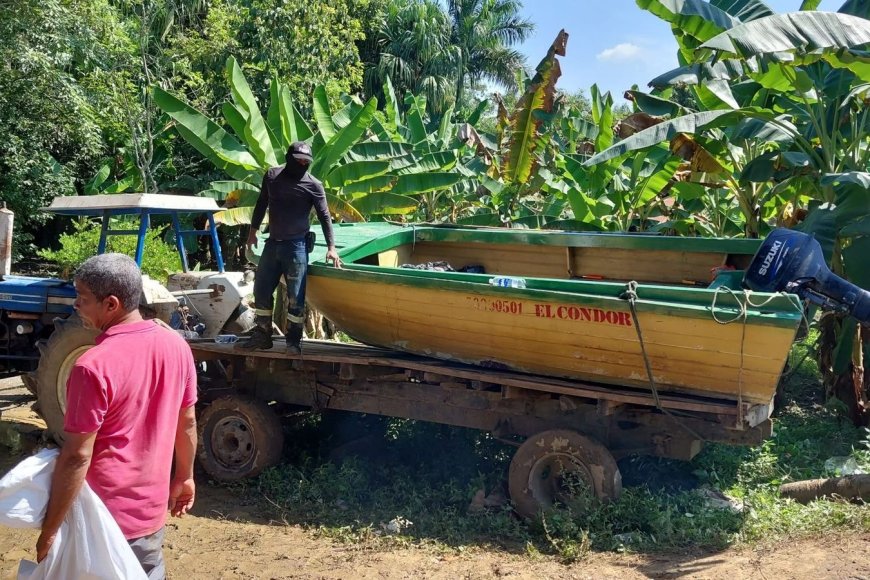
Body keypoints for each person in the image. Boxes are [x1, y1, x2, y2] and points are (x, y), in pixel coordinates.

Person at [36, 253, 198, 579]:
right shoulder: (176, 346)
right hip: (149, 516)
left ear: (111, 304)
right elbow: (188, 421)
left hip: (103, 518)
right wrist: (184, 475)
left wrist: (50, 529)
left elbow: (77, 456)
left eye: (82, 299)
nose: (76, 307)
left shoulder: (92, 365)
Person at [238, 141, 342, 352]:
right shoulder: (272, 176)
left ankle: (293, 341)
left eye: (307, 161)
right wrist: (252, 233)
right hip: (273, 244)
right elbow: (261, 204)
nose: (303, 163)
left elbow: (324, 216)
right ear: (289, 158)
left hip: (297, 247)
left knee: (296, 296)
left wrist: (331, 247)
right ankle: (262, 335)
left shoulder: (314, 185)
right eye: (299, 160)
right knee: (261, 290)